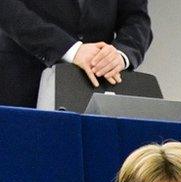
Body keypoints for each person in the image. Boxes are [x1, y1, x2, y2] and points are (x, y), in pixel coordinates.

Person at [0, 0, 149, 108]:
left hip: (97, 90)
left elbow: (137, 18)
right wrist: (71, 49)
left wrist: (120, 54)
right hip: (18, 90)